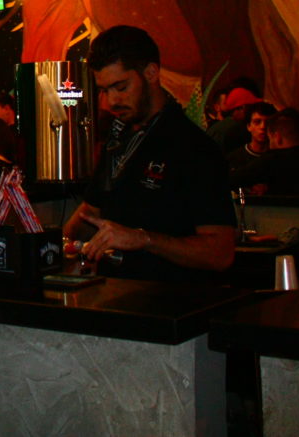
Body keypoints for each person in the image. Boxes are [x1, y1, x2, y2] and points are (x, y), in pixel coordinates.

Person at [64, 26, 236, 283]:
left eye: (121, 87)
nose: (111, 101)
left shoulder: (194, 148)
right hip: (114, 295)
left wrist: (143, 238)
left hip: (172, 301)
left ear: (151, 73)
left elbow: (220, 253)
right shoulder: (118, 139)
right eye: (104, 90)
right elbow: (91, 211)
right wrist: (53, 247)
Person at [226, 102, 277, 188]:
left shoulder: (278, 158)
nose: (263, 127)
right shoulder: (234, 158)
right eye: (257, 122)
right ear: (249, 126)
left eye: (268, 122)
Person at [206, 86, 260, 154]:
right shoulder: (240, 129)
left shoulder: (215, 128)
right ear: (243, 108)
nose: (255, 112)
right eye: (253, 107)